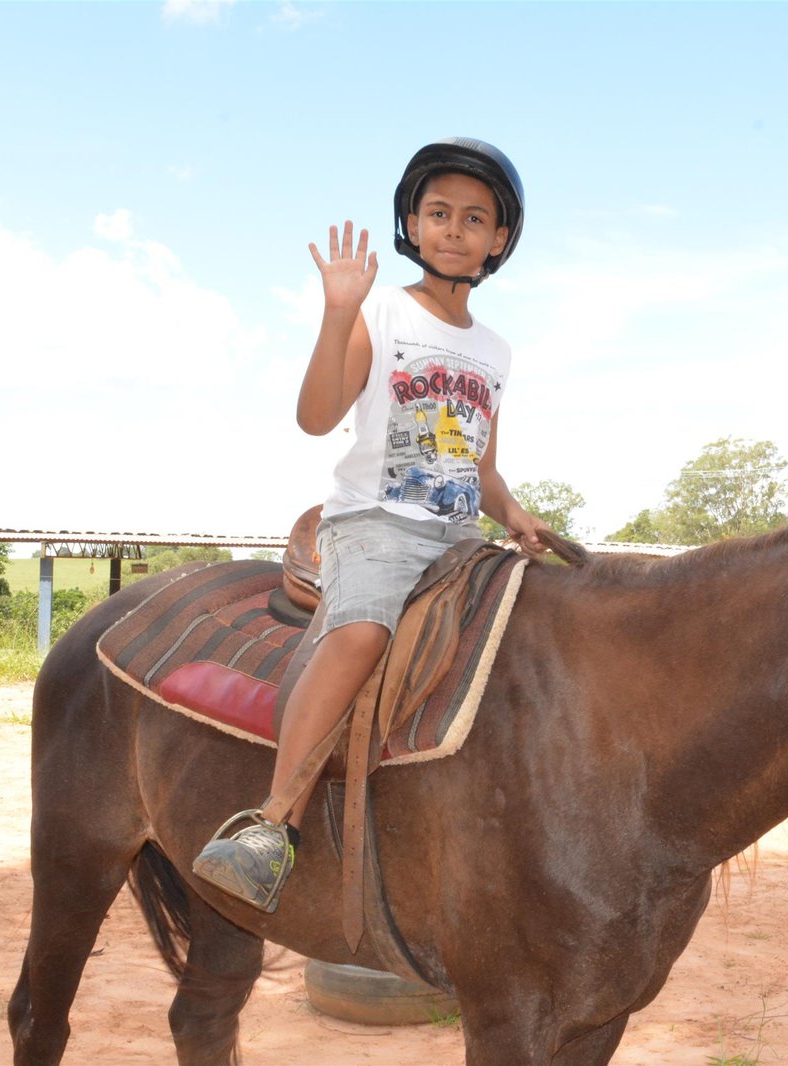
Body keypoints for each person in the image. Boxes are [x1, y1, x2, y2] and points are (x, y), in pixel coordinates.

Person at [193, 137, 552, 911]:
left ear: (499, 240)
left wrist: (516, 514)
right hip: (375, 527)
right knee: (362, 634)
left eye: (474, 218)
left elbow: (479, 465)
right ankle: (271, 822)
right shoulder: (382, 311)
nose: (454, 229)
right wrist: (338, 315)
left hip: (459, 537)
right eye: (438, 213)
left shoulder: (495, 351)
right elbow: (316, 416)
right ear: (413, 226)